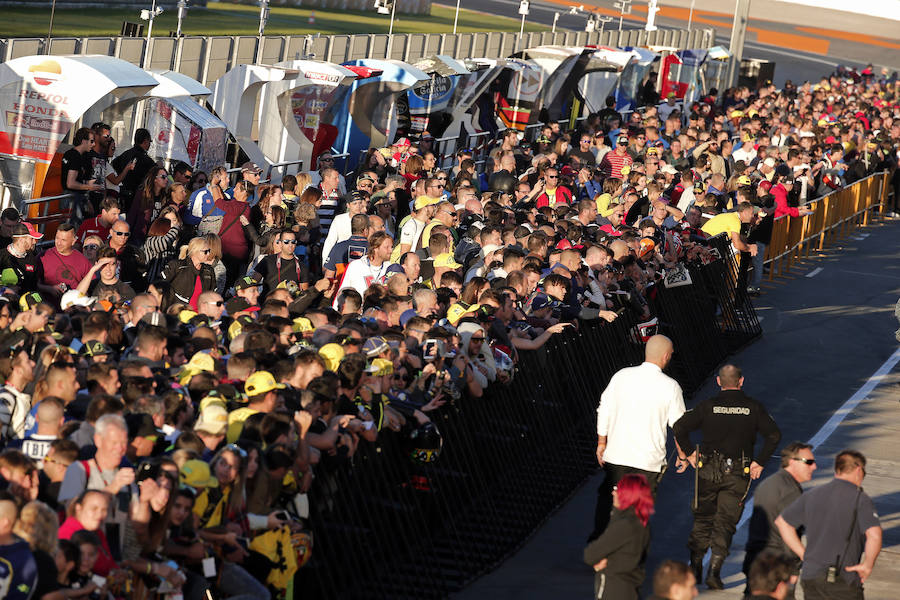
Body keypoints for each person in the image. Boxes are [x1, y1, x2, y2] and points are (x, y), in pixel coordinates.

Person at [673, 364, 782, 589]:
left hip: (707, 469)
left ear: (718, 382)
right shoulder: (753, 408)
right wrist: (759, 462)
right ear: (741, 381)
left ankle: (694, 570)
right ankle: (714, 571)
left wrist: (690, 453)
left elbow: (679, 426)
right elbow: (774, 435)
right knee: (726, 521)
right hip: (737, 473)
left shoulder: (707, 406)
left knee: (703, 518)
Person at [591, 334, 685, 540]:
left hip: (617, 455)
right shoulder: (670, 386)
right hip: (648, 461)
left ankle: (600, 544)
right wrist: (683, 454)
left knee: (608, 500)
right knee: (638, 509)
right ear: (666, 356)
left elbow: (604, 409)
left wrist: (601, 443)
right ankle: (630, 552)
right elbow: (680, 427)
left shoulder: (621, 376)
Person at [775, 449, 882, 600]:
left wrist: (803, 554)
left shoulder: (813, 494)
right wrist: (868, 564)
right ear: (858, 469)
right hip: (843, 578)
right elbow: (875, 535)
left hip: (811, 577)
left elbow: (782, 522)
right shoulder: (860, 499)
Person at [743, 442, 817, 599]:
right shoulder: (790, 491)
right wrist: (796, 568)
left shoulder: (771, 483)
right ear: (792, 462)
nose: (814, 467)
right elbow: (788, 531)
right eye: (809, 462)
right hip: (776, 569)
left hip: (756, 562)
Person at [583, 474, 653, 600]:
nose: (613, 493)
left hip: (614, 590)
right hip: (630, 589)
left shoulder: (624, 525)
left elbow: (590, 554)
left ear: (627, 494)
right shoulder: (642, 524)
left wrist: (605, 562)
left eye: (617, 489)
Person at [41, 222, 92, 294]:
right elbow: (34, 283)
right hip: (48, 303)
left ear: (73, 241)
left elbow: (92, 286)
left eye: (63, 240)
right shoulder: (43, 256)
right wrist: (50, 289)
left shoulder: (83, 261)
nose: (59, 243)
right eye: (57, 238)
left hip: (73, 303)